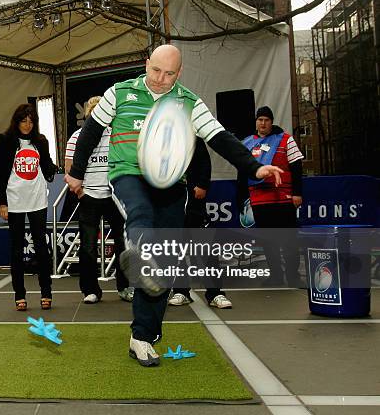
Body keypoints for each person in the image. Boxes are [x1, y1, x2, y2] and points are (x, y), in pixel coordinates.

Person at [65, 44, 283, 367]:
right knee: (139, 216)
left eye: (169, 74)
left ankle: (142, 336)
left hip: (170, 185)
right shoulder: (119, 93)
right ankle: (138, 253)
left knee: (162, 269)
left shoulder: (188, 102)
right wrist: (76, 173)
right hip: (128, 176)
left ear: (179, 74)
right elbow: (91, 132)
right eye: (155, 70)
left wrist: (254, 168)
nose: (160, 79)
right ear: (146, 64)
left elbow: (219, 137)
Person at [64, 96, 133, 304]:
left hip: (114, 196)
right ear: (87, 114)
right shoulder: (77, 137)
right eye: (93, 110)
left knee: (124, 243)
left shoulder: (116, 136)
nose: (97, 113)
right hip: (89, 196)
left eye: (101, 109)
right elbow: (69, 168)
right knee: (88, 246)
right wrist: (81, 191)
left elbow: (126, 163)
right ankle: (90, 290)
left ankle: (125, 286)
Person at [0, 104, 57, 311]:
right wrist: (1, 202)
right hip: (14, 200)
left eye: (31, 121)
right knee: (16, 249)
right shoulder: (6, 140)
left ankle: (46, 291)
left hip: (38, 199)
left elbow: (46, 166)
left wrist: (55, 168)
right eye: (24, 121)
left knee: (41, 246)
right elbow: (0, 173)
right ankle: (19, 294)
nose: (28, 125)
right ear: (17, 121)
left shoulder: (41, 141)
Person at [238, 106, 304, 287]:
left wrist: (297, 193)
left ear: (272, 122)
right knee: (268, 241)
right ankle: (275, 276)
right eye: (260, 119)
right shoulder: (248, 143)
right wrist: (242, 199)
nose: (263, 123)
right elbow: (242, 173)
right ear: (256, 122)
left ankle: (293, 276)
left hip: (283, 198)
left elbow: (297, 167)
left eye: (266, 119)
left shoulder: (285, 139)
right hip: (259, 200)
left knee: (289, 239)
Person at [169, 138, 232, 309]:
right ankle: (180, 291)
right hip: (172, 202)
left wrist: (202, 184)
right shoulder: (161, 137)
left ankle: (215, 293)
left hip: (194, 202)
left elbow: (205, 162)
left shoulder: (193, 137)